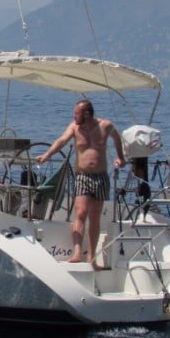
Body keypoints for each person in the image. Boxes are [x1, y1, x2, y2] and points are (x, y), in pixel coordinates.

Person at [37, 99, 125, 265]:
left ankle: (91, 256)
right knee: (81, 213)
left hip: (100, 177)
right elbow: (62, 141)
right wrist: (47, 155)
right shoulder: (74, 127)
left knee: (95, 217)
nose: (73, 116)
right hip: (83, 176)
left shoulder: (105, 126)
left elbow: (117, 138)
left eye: (76, 113)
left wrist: (121, 158)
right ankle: (77, 252)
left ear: (87, 114)